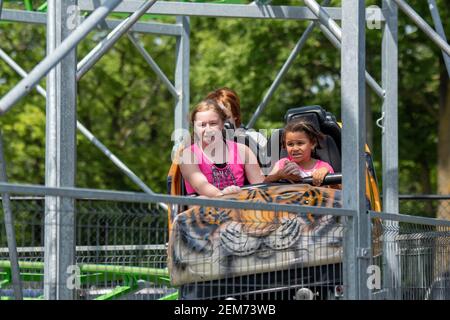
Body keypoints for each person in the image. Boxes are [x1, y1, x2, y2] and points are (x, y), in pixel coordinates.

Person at [180, 99, 265, 197]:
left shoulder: (243, 150)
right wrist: (223, 195)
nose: (208, 129)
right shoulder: (187, 155)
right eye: (202, 125)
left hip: (241, 207)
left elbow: (260, 187)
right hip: (204, 208)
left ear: (222, 124)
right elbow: (201, 186)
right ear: (194, 127)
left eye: (213, 123)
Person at [265, 120, 334, 186]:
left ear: (312, 144)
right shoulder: (282, 164)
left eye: (300, 143)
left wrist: (327, 176)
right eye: (290, 144)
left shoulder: (323, 167)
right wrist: (279, 175)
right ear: (285, 146)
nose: (295, 149)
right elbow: (264, 184)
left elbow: (338, 191)